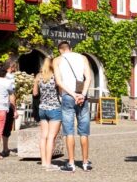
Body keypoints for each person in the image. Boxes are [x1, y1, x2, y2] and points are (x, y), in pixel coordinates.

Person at [52, 40, 94, 172]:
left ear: (60, 50)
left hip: (68, 96)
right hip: (82, 96)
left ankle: (71, 163)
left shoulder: (57, 60)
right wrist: (82, 94)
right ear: (70, 48)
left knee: (69, 130)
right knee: (84, 131)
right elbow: (88, 78)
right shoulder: (83, 58)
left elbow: (59, 82)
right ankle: (86, 163)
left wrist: (72, 94)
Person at [32, 56, 61, 169]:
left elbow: (35, 93)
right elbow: (61, 92)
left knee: (43, 136)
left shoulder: (39, 76)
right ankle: (49, 163)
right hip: (54, 108)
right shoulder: (55, 77)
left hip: (42, 108)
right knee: (51, 137)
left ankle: (43, 162)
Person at [0, 60, 19, 156]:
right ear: (11, 67)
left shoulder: (1, 77)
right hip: (7, 105)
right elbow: (11, 94)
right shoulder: (10, 78)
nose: (15, 69)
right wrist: (15, 109)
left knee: (1, 127)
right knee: (6, 127)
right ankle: (4, 148)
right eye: (14, 67)